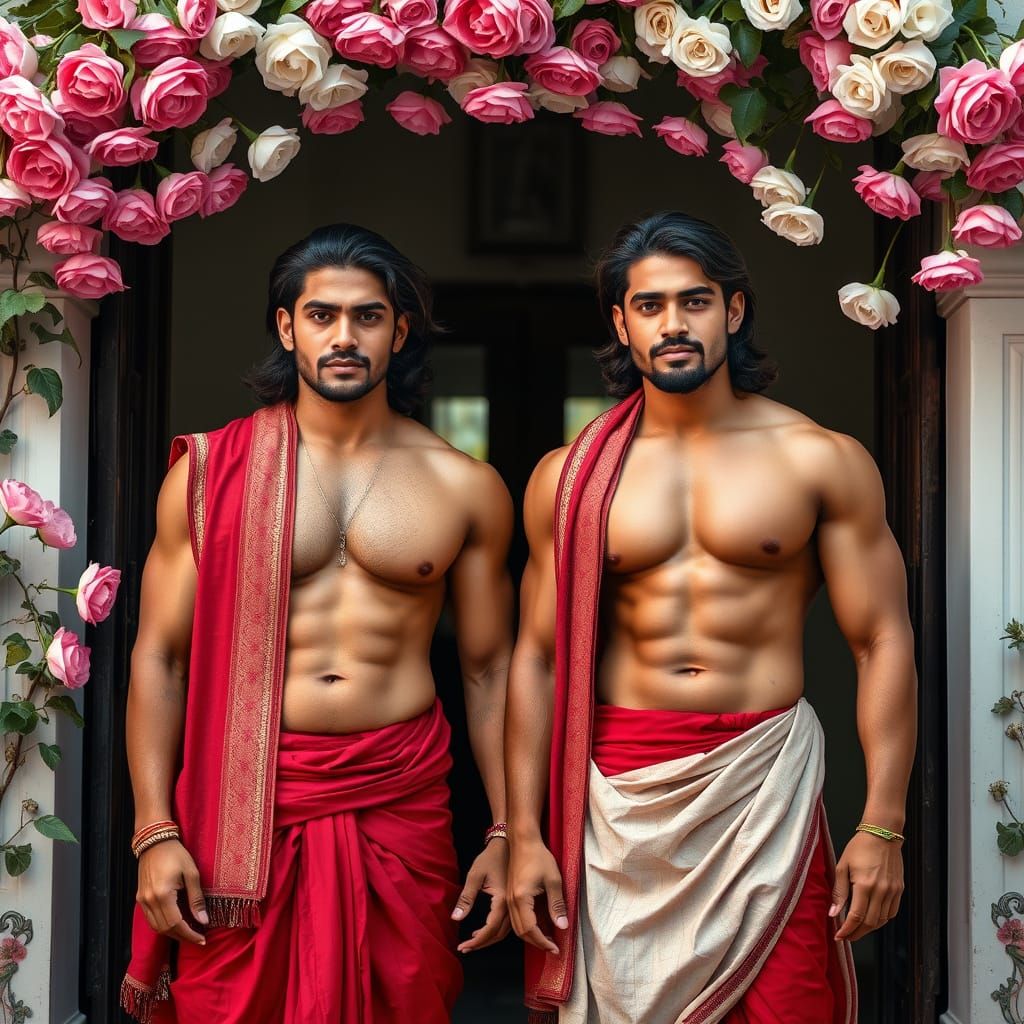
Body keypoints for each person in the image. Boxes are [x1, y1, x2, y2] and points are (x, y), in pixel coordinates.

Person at [505, 211, 917, 1023]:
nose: (673, 324)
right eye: (650, 306)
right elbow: (537, 659)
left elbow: (880, 638)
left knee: (787, 1004)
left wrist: (884, 823)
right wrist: (524, 834)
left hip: (764, 783)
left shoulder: (817, 458)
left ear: (732, 310)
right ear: (621, 324)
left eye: (694, 302)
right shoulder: (568, 476)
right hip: (621, 794)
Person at [121, 223, 513, 1023]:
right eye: (322, 315)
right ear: (286, 326)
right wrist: (155, 830)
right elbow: (161, 659)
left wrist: (510, 827)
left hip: (398, 801)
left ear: (399, 331)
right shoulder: (210, 472)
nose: (344, 336)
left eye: (367, 317)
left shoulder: (464, 486)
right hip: (245, 807)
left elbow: (491, 671)